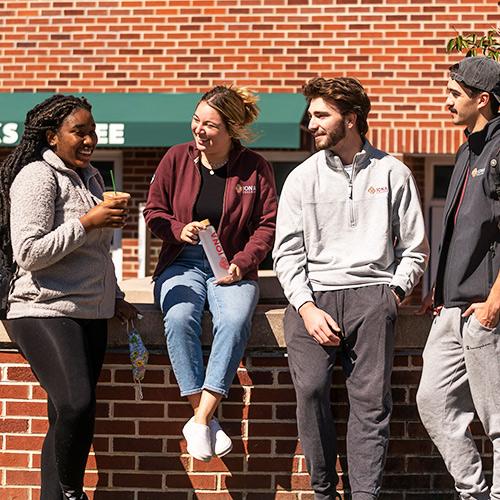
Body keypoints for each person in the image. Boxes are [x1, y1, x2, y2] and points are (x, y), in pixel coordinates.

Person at [273, 77, 429, 500]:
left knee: (371, 404)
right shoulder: (300, 178)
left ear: (352, 118)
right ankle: (323, 490)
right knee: (310, 392)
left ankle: (365, 495)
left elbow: (415, 248)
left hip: (373, 297)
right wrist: (305, 307)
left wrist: (391, 296)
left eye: (321, 115)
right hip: (313, 299)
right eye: (311, 115)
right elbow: (286, 254)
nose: (311, 123)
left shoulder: (392, 171)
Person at [0, 94, 138, 500]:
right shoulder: (37, 177)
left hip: (89, 310)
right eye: (79, 131)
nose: (89, 139)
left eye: (92, 131)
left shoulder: (91, 177)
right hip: (41, 308)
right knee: (76, 403)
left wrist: (114, 295)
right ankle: (72, 492)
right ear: (52, 136)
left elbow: (97, 253)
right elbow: (29, 252)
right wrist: (86, 221)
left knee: (67, 415)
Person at [143, 85, 277, 462]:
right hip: (182, 262)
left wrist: (244, 262)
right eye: (196, 120)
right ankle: (206, 422)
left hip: (230, 265)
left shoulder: (255, 168)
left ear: (231, 129)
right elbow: (154, 212)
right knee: (180, 316)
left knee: (234, 320)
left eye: (210, 125)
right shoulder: (175, 158)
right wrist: (176, 229)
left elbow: (266, 225)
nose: (199, 130)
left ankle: (200, 418)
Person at [416, 57, 500, 499]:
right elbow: (461, 227)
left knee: (498, 419)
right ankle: (474, 491)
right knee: (432, 400)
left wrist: (493, 303)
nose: (445, 101)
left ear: (482, 99)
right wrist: (438, 288)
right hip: (453, 307)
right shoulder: (468, 149)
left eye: (454, 94)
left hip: (486, 307)